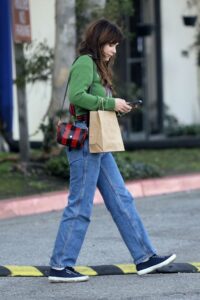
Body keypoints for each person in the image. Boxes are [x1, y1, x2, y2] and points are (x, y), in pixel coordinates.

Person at [48, 19, 176, 283]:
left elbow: (95, 100)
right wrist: (110, 102)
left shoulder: (98, 66)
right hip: (85, 141)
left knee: (121, 198)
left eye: (116, 45)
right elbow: (76, 96)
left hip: (98, 140)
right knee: (80, 204)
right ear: (99, 41)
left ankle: (145, 257)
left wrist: (118, 105)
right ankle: (60, 266)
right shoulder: (85, 62)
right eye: (111, 44)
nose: (114, 50)